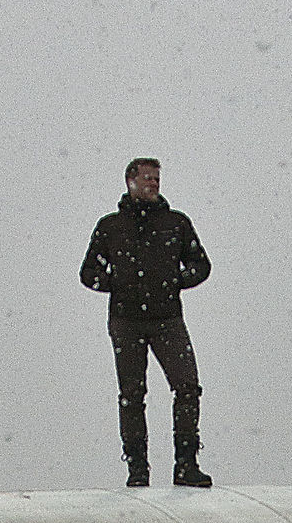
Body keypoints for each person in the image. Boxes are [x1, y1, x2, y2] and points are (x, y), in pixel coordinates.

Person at [80, 160, 213, 488]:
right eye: (147, 178)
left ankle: (186, 466)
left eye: (157, 178)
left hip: (167, 319)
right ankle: (137, 470)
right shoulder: (111, 227)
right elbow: (88, 273)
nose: (154, 183)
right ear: (130, 181)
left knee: (187, 386)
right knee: (132, 394)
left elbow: (201, 264)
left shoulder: (175, 223)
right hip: (126, 322)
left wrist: (174, 281)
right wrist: (119, 283)